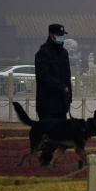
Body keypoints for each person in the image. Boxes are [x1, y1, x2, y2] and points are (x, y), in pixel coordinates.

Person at [34, 23, 73, 165]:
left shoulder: (64, 54)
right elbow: (43, 76)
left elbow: (67, 76)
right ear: (52, 35)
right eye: (59, 35)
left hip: (61, 102)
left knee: (60, 134)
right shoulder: (43, 53)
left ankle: (47, 157)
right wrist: (60, 86)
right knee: (50, 133)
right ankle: (45, 158)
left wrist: (69, 97)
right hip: (47, 102)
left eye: (63, 35)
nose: (62, 38)